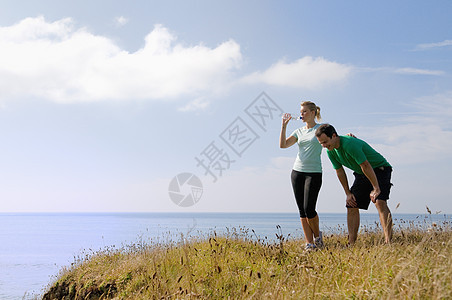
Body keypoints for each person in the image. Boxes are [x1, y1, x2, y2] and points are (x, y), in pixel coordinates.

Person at [315, 123, 393, 244]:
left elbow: (365, 165)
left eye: (325, 142)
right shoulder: (331, 151)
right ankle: (351, 243)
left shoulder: (350, 144)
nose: (324, 146)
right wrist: (347, 193)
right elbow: (339, 171)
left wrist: (376, 188)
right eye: (321, 143)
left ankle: (389, 242)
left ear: (334, 136)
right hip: (361, 172)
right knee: (352, 204)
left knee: (379, 201)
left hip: (379, 168)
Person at [280, 101, 324, 251]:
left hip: (314, 172)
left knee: (309, 209)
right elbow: (283, 145)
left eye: (304, 111)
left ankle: (318, 237)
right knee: (302, 210)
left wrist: (347, 137)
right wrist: (284, 126)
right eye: (301, 112)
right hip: (297, 172)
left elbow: (334, 139)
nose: (301, 114)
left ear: (313, 113)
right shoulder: (299, 131)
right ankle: (309, 243)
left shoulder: (321, 128)